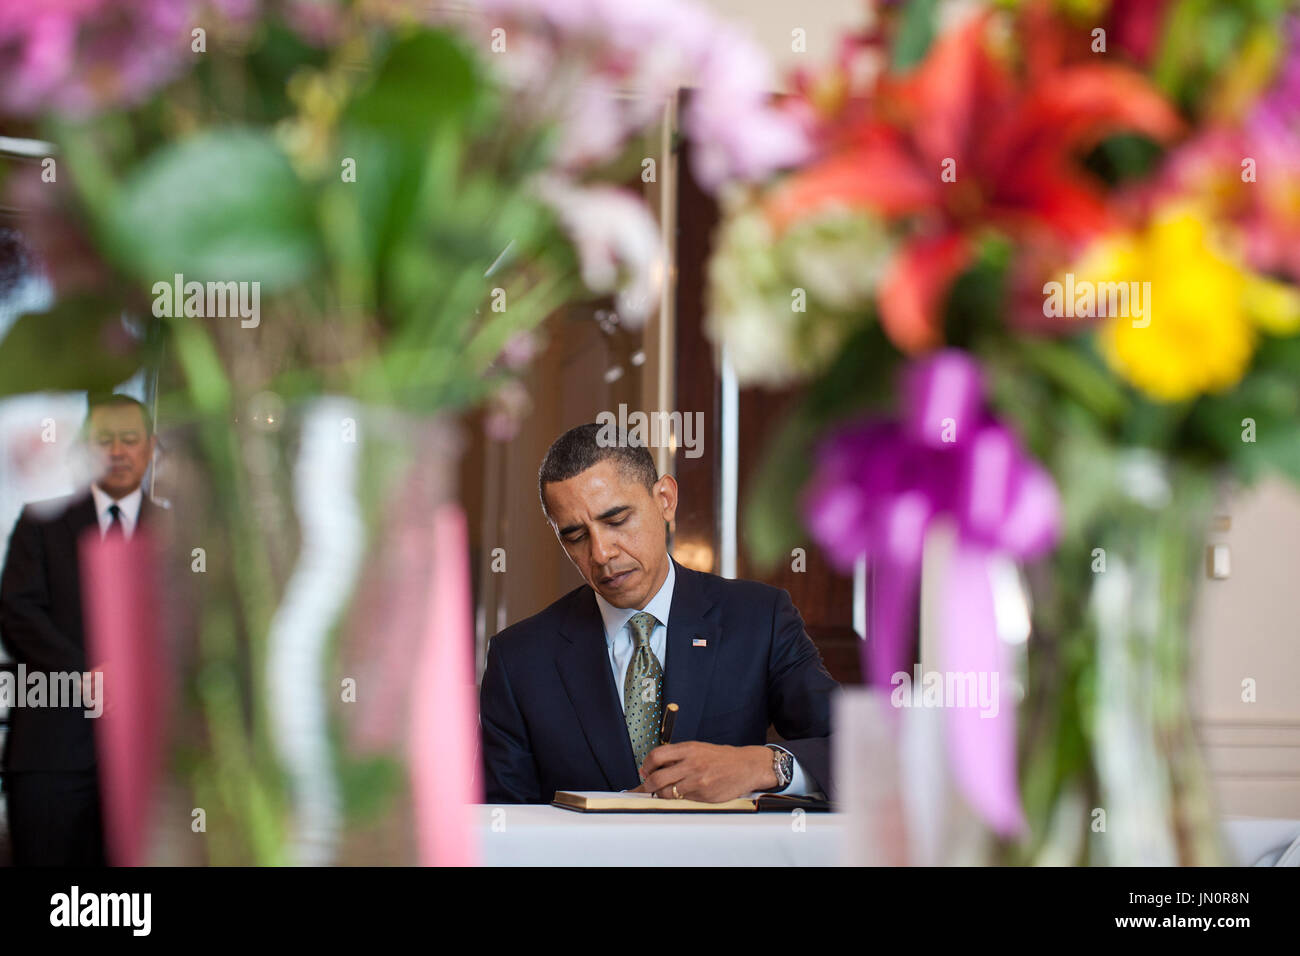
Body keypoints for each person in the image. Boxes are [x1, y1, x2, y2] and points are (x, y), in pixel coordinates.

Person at [480, 422, 839, 804]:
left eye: (616, 520)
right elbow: (496, 828)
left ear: (665, 499)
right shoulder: (518, 660)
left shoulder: (760, 619)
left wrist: (763, 766)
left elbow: (860, 751)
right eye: (575, 536)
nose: (601, 554)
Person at [0, 392, 158, 866]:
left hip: (152, 769)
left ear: (150, 448)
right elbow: (14, 612)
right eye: (104, 439)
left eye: (129, 439)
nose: (117, 451)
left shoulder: (180, 533)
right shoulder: (40, 524)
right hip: (52, 754)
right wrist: (85, 674)